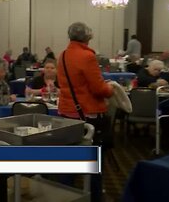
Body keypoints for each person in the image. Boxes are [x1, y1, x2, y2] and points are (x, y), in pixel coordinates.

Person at [56, 22, 113, 202]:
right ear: (88, 37)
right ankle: (96, 197)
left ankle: (65, 195)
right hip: (88, 114)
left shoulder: (62, 55)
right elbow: (98, 89)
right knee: (93, 162)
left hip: (67, 112)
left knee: (69, 161)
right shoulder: (87, 56)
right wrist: (111, 89)